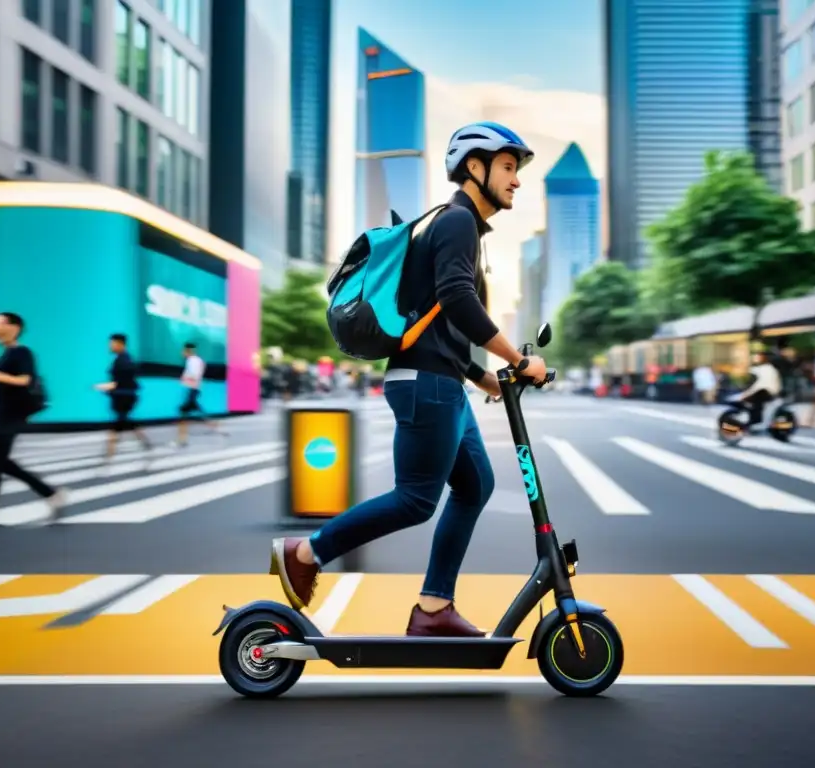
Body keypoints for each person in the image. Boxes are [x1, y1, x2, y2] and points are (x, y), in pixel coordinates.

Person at [270, 122, 548, 637]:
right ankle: (305, 552)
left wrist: (484, 378)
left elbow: (434, 323)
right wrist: (516, 358)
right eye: (508, 168)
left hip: (440, 380)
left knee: (475, 485)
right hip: (426, 386)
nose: (516, 181)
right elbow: (459, 299)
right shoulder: (457, 222)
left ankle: (434, 608)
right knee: (416, 500)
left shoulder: (450, 225)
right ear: (475, 167)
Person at [0, 312, 67, 525]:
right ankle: (51, 494)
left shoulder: (22, 352)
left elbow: (25, 380)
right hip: (0, 415)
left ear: (13, 327)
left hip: (9, 416)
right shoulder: (4, 355)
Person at [94, 333, 152, 467]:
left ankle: (109, 455)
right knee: (126, 423)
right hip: (125, 397)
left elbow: (118, 382)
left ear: (120, 344)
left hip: (123, 397)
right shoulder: (124, 359)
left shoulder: (123, 361)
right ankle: (144, 442)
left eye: (112, 343)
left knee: (116, 426)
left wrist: (101, 386)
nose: (110, 346)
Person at [173, 342, 225, 447]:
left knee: (183, 413)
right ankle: (215, 427)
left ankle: (182, 440)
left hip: (192, 390)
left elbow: (194, 376)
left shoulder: (193, 361)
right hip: (193, 390)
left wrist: (184, 379)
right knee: (193, 413)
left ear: (188, 351)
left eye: (183, 351)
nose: (182, 353)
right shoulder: (194, 361)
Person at [732, 345, 783, 431]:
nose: (755, 358)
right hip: (762, 391)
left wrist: (748, 393)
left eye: (758, 356)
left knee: (756, 399)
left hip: (767, 392)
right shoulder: (759, 368)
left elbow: (762, 385)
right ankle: (751, 420)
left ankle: (756, 421)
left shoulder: (768, 369)